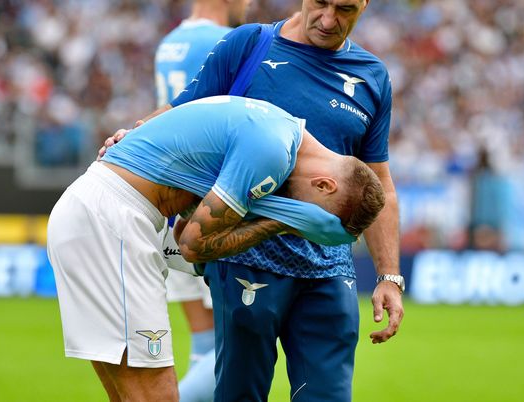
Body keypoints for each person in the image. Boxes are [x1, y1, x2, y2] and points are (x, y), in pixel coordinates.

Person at [99, 0, 405, 400]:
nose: (329, 19)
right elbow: (183, 113)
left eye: (345, 8)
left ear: (365, 4)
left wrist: (389, 277)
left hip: (328, 271)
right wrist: (133, 135)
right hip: (245, 260)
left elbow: (380, 183)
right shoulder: (249, 44)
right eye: (321, 3)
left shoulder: (372, 76)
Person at [47, 95, 385, 402]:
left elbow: (182, 226)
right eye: (316, 219)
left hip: (101, 214)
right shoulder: (272, 152)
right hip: (114, 221)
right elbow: (192, 245)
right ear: (325, 185)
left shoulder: (277, 125)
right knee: (158, 396)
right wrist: (287, 221)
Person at [154, 0, 250, 399]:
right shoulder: (226, 41)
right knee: (234, 358)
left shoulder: (170, 41)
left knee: (205, 347)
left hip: (170, 202)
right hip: (208, 209)